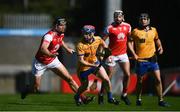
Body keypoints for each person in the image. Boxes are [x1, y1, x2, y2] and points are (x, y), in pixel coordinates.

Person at [21, 17, 93, 104]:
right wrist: (51, 54)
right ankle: (27, 90)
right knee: (36, 88)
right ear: (56, 26)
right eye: (61, 25)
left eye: (64, 25)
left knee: (69, 79)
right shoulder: (49, 36)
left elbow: (61, 41)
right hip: (40, 62)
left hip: (53, 60)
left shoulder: (61, 33)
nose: (64, 27)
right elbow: (43, 49)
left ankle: (83, 98)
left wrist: (67, 49)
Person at [128, 13, 169, 107]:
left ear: (148, 20)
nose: (143, 20)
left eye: (145, 19)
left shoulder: (154, 30)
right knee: (140, 81)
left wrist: (160, 47)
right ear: (139, 21)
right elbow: (129, 43)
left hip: (153, 60)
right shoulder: (135, 31)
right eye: (141, 19)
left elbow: (157, 39)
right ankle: (138, 98)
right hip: (141, 61)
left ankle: (161, 100)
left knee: (158, 80)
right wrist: (134, 54)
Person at [74, 25, 119, 106]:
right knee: (85, 86)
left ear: (93, 33)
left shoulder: (98, 39)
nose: (85, 35)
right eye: (84, 33)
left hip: (95, 63)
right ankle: (77, 96)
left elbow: (104, 45)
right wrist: (93, 65)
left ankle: (110, 97)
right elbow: (81, 61)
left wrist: (106, 54)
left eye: (88, 34)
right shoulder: (80, 45)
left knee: (106, 79)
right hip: (83, 68)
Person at [100, 10, 131, 105]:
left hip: (123, 54)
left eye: (119, 16)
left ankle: (124, 94)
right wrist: (103, 53)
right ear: (114, 17)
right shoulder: (109, 28)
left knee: (127, 75)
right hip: (112, 55)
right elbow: (101, 41)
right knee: (107, 77)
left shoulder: (128, 26)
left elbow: (130, 40)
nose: (118, 18)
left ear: (123, 17)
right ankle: (101, 94)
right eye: (116, 16)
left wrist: (133, 52)